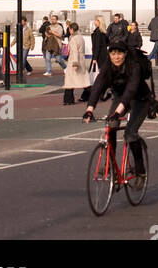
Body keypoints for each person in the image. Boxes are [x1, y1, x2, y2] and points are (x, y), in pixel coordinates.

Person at [82, 35, 151, 175]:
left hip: (140, 99)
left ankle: (140, 171)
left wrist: (119, 111)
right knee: (111, 126)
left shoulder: (134, 66)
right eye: (113, 53)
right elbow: (98, 86)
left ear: (125, 53)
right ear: (109, 54)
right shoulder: (108, 66)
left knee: (130, 134)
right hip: (120, 98)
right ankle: (110, 165)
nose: (116, 57)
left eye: (119, 53)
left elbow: (131, 90)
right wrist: (89, 109)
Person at [63, 22, 89, 105]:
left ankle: (68, 99)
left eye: (69, 29)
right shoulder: (81, 37)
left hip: (74, 60)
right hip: (81, 60)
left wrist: (74, 63)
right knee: (84, 80)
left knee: (70, 81)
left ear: (71, 29)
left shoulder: (73, 39)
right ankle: (90, 94)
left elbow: (74, 52)